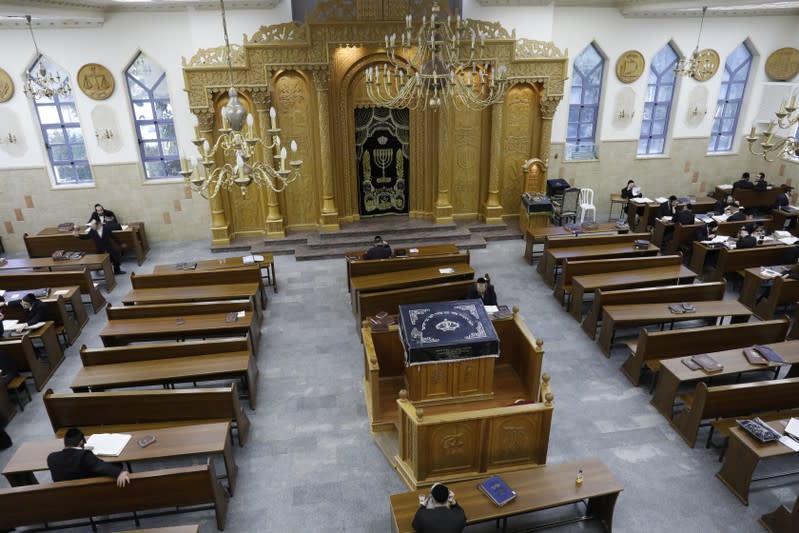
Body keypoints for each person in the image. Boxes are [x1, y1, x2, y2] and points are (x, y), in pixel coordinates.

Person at [47, 428, 130, 487]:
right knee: (118, 464)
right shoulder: (84, 456)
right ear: (81, 442)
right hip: (88, 494)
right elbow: (101, 467)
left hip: (65, 498)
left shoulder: (51, 458)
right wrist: (120, 472)